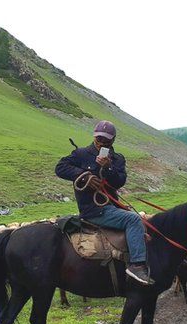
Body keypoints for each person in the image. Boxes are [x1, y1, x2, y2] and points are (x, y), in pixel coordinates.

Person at [55, 121, 152, 285]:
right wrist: (85, 175)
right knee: (134, 219)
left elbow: (119, 182)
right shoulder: (81, 154)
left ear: (112, 140)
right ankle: (137, 265)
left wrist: (108, 168)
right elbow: (60, 168)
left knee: (141, 221)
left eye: (105, 140)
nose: (101, 143)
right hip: (93, 209)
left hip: (111, 207)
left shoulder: (117, 159)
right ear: (94, 137)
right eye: (99, 139)